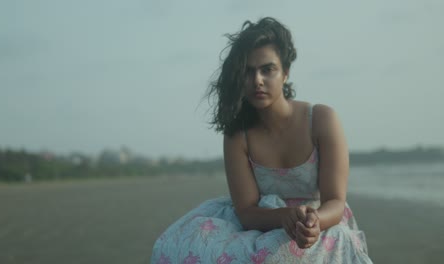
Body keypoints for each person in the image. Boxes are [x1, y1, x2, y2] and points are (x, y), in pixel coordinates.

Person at [151, 17, 372, 263]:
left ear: (285, 73)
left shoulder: (321, 120)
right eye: (248, 71)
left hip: (319, 218)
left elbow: (335, 201)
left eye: (268, 69)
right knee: (186, 244)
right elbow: (246, 211)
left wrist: (313, 222)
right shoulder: (238, 134)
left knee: (330, 241)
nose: (257, 80)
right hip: (261, 222)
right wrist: (284, 216)